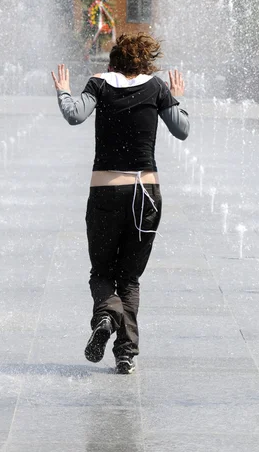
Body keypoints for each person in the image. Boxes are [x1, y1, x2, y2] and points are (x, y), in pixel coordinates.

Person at [51, 33, 189, 374]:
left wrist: (63, 90)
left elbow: (74, 115)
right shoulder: (157, 87)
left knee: (101, 271)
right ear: (146, 62)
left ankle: (107, 316)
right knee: (129, 278)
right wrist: (177, 99)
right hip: (146, 195)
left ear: (113, 59)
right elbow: (182, 129)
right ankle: (125, 355)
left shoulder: (99, 84)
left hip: (106, 192)